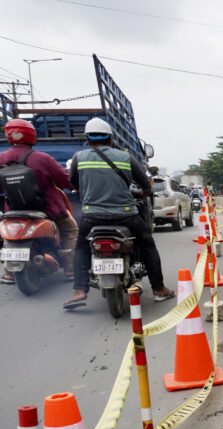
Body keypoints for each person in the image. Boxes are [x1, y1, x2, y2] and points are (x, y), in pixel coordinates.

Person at [63, 118, 175, 309]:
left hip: (91, 216)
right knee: (148, 245)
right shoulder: (125, 157)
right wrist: (144, 192)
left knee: (81, 247)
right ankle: (158, 288)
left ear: (88, 139)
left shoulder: (79, 158)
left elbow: (73, 183)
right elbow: (145, 185)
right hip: (126, 215)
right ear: (110, 139)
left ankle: (80, 290)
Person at [0, 119, 77, 282]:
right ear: (32, 135)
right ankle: (71, 269)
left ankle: (8, 272)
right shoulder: (42, 158)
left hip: (12, 210)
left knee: (8, 235)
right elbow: (65, 180)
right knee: (70, 230)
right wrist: (74, 186)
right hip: (48, 210)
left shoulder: (1, 158)